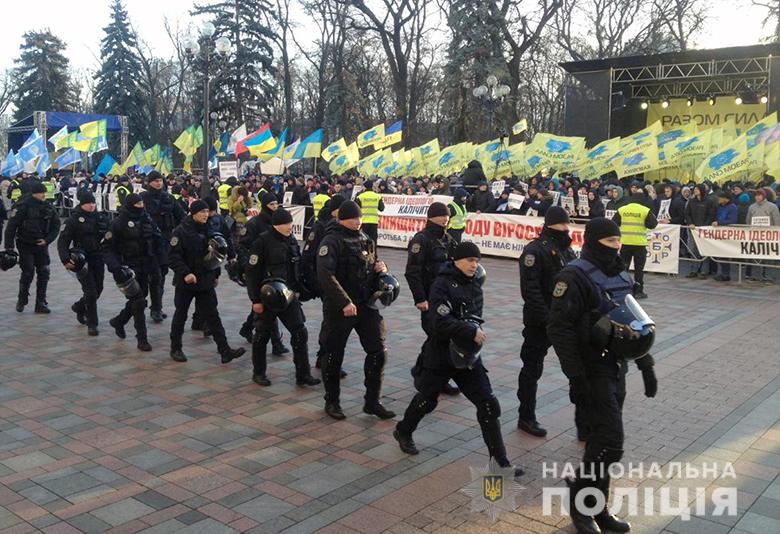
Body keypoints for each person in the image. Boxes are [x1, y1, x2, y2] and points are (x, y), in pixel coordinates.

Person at [548, 217, 657, 534]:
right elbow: (559, 329)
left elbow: (629, 323)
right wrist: (575, 377)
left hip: (615, 366)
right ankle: (581, 506)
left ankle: (598, 509)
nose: (617, 246)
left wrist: (645, 363)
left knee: (601, 441)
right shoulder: (573, 276)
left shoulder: (619, 272)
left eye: (618, 241)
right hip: (590, 368)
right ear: (595, 241)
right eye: (610, 242)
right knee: (611, 441)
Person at [393, 241, 524, 476]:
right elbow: (439, 323)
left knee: (488, 404)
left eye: (477, 261)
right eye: (470, 260)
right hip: (440, 355)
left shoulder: (475, 286)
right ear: (456, 260)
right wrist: (470, 331)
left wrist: (471, 332)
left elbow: (475, 317)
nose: (474, 265)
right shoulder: (441, 284)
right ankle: (403, 430)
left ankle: (501, 463)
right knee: (427, 399)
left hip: (467, 356)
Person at [317, 200, 395, 420]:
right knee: (333, 354)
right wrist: (344, 302)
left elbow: (372, 263)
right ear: (342, 219)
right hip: (340, 308)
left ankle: (373, 401)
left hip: (365, 305)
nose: (357, 221)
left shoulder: (365, 239)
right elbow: (325, 274)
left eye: (359, 217)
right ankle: (332, 401)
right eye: (353, 218)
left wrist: (382, 268)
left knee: (378, 351)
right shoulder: (331, 241)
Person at [516, 207, 576, 437]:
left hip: (565, 320)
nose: (567, 228)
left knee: (575, 367)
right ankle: (526, 416)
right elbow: (530, 291)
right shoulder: (535, 251)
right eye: (563, 224)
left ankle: (583, 419)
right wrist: (548, 318)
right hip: (540, 322)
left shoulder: (566, 249)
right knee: (532, 369)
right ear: (552, 224)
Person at [245, 207, 321, 387]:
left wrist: (302, 289)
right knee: (261, 336)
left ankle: (303, 374)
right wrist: (255, 300)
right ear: (276, 225)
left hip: (288, 296)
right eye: (286, 223)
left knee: (300, 332)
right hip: (268, 297)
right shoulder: (262, 242)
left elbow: (297, 266)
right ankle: (259, 372)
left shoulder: (291, 241)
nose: (290, 226)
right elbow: (252, 273)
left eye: (290, 223)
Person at [167, 199, 246, 364]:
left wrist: (215, 274)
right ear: (193, 213)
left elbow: (215, 255)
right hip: (186, 282)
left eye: (206, 212)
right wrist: (186, 273)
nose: (205, 215)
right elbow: (173, 257)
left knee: (213, 315)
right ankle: (176, 348)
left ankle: (224, 350)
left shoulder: (210, 228)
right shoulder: (180, 232)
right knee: (181, 314)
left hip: (205, 280)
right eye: (201, 212)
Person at [405, 202, 461, 397]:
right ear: (432, 217)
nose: (446, 219)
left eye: (447, 216)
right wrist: (420, 298)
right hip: (429, 298)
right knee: (437, 337)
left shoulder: (448, 239)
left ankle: (433, 376)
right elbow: (413, 272)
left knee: (439, 339)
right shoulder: (421, 240)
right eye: (442, 216)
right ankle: (426, 376)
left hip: (447, 299)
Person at [102, 193, 161, 352]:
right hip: (128, 268)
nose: (141, 206)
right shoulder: (118, 223)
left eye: (142, 202)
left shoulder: (146, 219)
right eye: (138, 203)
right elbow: (107, 248)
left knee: (139, 299)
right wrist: (116, 267)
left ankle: (119, 321)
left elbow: (157, 240)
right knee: (139, 301)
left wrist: (162, 261)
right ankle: (142, 338)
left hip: (146, 265)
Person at [301, 195, 348, 378]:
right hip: (326, 282)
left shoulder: (342, 226)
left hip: (340, 282)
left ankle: (324, 356)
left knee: (332, 323)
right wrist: (315, 283)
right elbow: (308, 256)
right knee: (331, 323)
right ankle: (326, 358)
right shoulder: (320, 227)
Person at [237, 192, 290, 355]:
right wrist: (247, 265)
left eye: (276, 204)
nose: (274, 207)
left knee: (266, 305)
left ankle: (247, 328)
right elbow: (243, 246)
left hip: (276, 272)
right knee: (268, 305)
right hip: (260, 270)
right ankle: (276, 343)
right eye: (271, 205)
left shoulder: (280, 222)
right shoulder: (254, 223)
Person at [56, 192, 108, 335]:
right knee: (90, 291)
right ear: (82, 204)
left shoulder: (101, 217)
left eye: (93, 203)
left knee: (98, 289)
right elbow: (63, 241)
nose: (91, 206)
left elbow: (111, 236)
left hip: (98, 258)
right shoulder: (73, 220)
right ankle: (92, 323)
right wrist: (65, 259)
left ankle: (79, 307)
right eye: (88, 203)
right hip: (81, 260)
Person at [4, 181, 60, 313]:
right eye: (42, 193)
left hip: (41, 245)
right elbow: (11, 226)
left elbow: (56, 226)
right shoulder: (23, 205)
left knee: (44, 271)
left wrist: (47, 240)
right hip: (25, 243)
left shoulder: (48, 207)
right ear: (35, 193)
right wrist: (9, 247)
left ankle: (41, 302)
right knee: (28, 271)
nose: (44, 195)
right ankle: (22, 298)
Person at [142, 171, 186, 323]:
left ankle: (156, 307)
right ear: (149, 183)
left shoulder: (169, 198)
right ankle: (150, 307)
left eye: (160, 180)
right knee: (154, 276)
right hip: (149, 243)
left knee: (161, 275)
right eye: (155, 181)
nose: (158, 183)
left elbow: (181, 216)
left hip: (165, 243)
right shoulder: (143, 199)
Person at [612, 189, 658, 299]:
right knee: (639, 269)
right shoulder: (645, 210)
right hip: (639, 244)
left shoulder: (622, 209)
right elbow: (653, 224)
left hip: (625, 243)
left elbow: (614, 223)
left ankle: (622, 289)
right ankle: (638, 291)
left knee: (623, 268)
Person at [713, 191, 738, 282]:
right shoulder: (719, 207)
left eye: (720, 198)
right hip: (719, 233)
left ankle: (726, 274)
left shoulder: (732, 207)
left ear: (725, 199)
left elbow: (732, 220)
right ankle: (723, 273)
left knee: (724, 254)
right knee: (720, 254)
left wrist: (719, 222)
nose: (718, 199)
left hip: (727, 233)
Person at [355, 180, 385, 245]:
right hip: (374, 222)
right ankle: (374, 254)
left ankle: (364, 254)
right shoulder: (377, 196)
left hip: (363, 221)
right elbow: (381, 208)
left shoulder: (360, 196)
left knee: (363, 240)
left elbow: (356, 209)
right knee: (373, 240)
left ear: (365, 187)